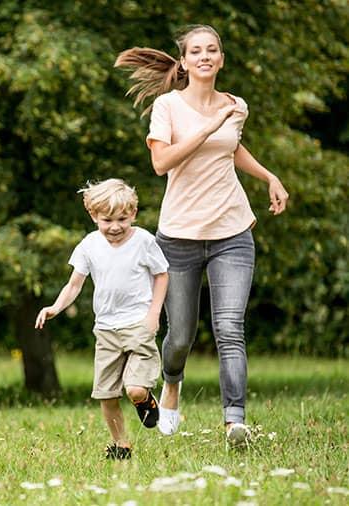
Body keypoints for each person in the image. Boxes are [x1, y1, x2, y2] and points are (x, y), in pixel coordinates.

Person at [114, 24, 289, 446]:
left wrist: (268, 176)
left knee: (230, 327)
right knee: (179, 338)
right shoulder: (167, 107)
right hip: (178, 237)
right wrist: (208, 126)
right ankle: (172, 384)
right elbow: (162, 162)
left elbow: (232, 148)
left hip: (232, 230)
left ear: (221, 59)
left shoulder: (236, 106)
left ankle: (235, 423)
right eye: (197, 51)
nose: (205, 56)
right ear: (185, 61)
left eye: (213, 50)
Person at [35, 179, 169, 460]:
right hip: (106, 330)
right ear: (93, 216)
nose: (115, 226)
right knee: (106, 395)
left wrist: (154, 313)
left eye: (122, 219)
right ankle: (121, 445)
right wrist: (54, 308)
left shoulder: (144, 241)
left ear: (133, 213)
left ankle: (145, 400)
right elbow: (74, 285)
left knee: (133, 390)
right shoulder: (89, 245)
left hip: (138, 324)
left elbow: (161, 274)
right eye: (107, 220)